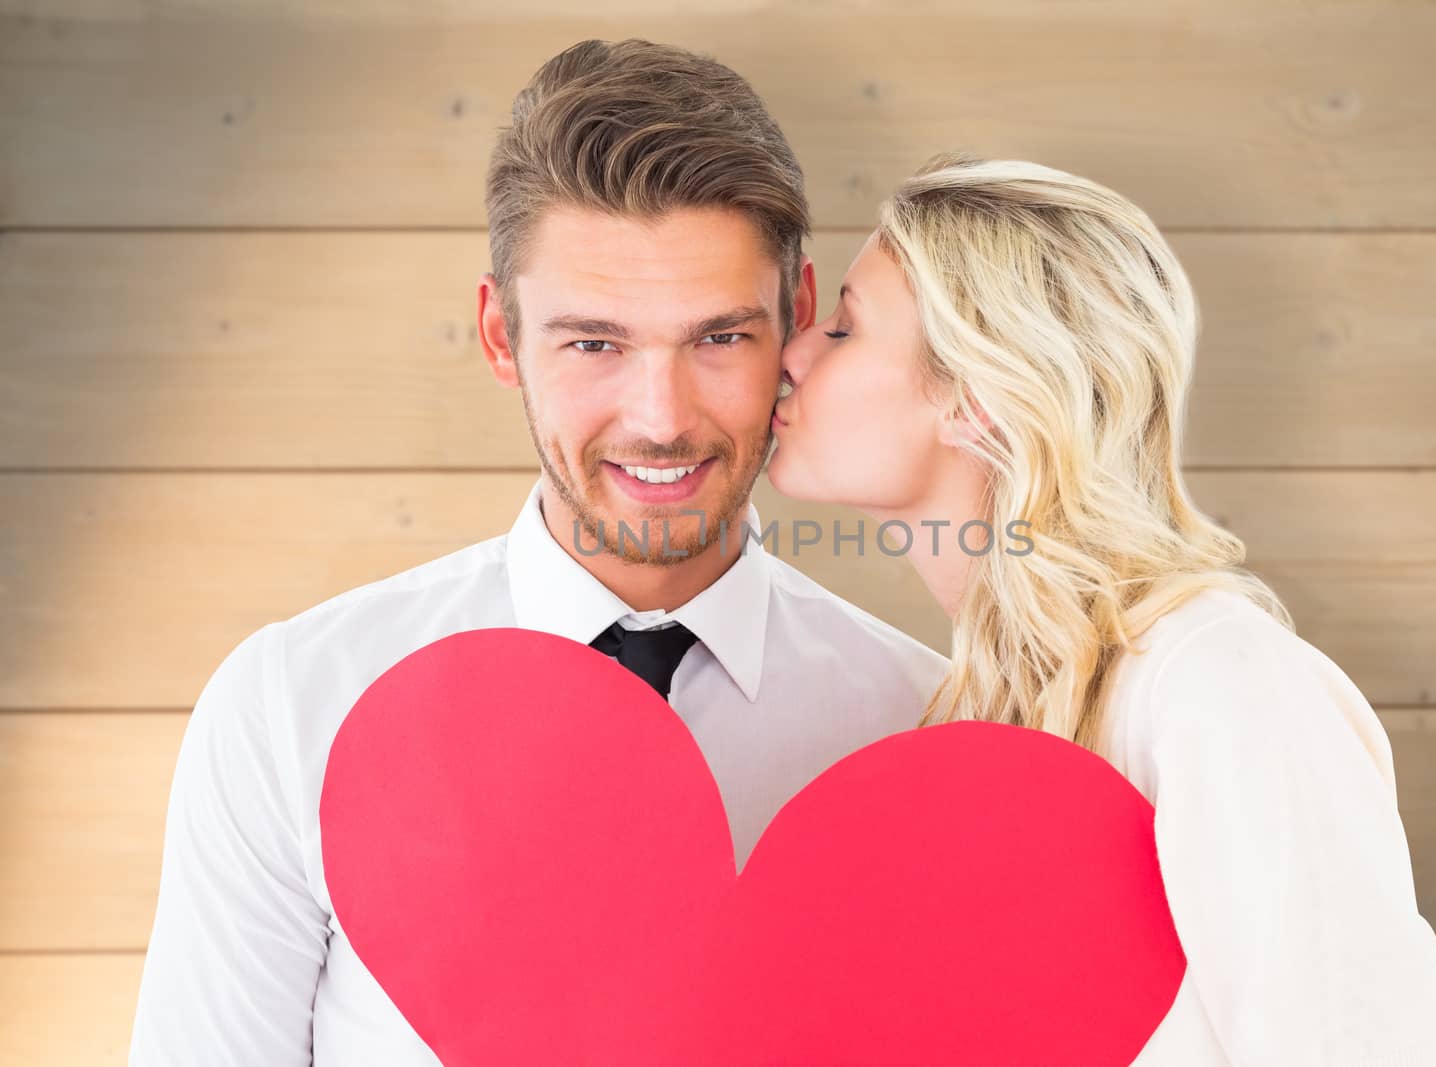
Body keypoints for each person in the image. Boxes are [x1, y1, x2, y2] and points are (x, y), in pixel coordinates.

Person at [128, 40, 946, 1065]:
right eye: (594, 342)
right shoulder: (294, 706)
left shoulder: (925, 728)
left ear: (795, 315)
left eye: (718, 338)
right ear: (500, 334)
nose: (661, 418)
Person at [768, 154, 1436, 1065]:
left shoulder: (1219, 684)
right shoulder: (973, 710)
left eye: (845, 328)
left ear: (977, 400)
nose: (792, 349)